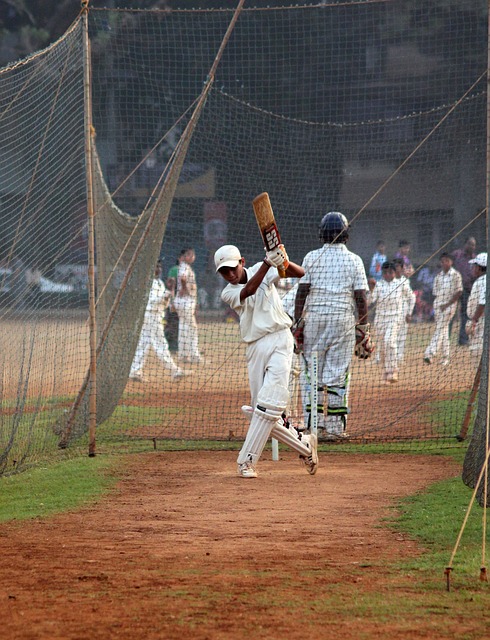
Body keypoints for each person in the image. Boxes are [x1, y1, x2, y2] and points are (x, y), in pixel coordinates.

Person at [215, 243, 318, 479]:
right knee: (260, 411)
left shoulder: (262, 269)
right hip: (255, 347)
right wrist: (268, 262)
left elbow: (300, 273)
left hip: (280, 339)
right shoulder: (228, 292)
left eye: (232, 268)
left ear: (241, 262)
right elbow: (249, 290)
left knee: (268, 404)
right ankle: (305, 445)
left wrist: (281, 260)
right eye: (224, 272)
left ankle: (246, 461)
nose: (230, 274)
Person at [294, 212, 371, 439]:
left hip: (315, 319)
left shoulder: (311, 257)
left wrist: (297, 323)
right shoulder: (354, 260)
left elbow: (302, 293)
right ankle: (336, 429)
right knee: (338, 373)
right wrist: (363, 330)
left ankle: (313, 427)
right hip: (343, 320)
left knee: (311, 373)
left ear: (322, 234)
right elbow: (361, 298)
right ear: (346, 234)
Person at [129, 260, 192, 383]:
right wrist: (165, 295)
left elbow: (163, 302)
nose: (159, 269)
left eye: (160, 266)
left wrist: (168, 294)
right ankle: (175, 371)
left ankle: (134, 371)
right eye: (156, 266)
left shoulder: (159, 283)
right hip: (150, 316)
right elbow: (152, 301)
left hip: (155, 316)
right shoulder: (147, 283)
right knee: (160, 345)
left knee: (143, 344)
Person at [423, 252, 462, 367]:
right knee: (443, 330)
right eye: (442, 261)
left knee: (440, 328)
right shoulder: (438, 276)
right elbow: (435, 293)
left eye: (447, 260)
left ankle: (430, 353)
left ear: (451, 262)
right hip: (439, 305)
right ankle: (445, 357)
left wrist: (447, 304)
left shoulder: (456, 275)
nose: (444, 263)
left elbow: (459, 292)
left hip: (449, 306)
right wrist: (438, 305)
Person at [368, 262, 404, 383]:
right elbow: (369, 301)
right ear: (382, 274)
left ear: (395, 273)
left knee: (390, 342)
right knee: (382, 348)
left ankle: (393, 371)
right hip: (380, 320)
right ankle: (386, 371)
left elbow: (411, 297)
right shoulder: (379, 285)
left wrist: (408, 312)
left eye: (391, 272)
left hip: (394, 318)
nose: (388, 275)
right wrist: (371, 288)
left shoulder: (401, 284)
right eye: (385, 273)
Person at [173, 247, 203, 364]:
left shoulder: (184, 266)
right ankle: (194, 356)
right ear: (185, 256)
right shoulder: (184, 266)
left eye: (193, 255)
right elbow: (183, 278)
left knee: (184, 327)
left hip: (183, 301)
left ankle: (184, 355)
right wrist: (184, 288)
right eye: (190, 254)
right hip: (186, 300)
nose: (192, 257)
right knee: (191, 328)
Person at [451, 236, 477, 345]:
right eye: (470, 244)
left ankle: (463, 339)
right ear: (465, 244)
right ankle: (445, 339)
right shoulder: (456, 255)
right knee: (450, 314)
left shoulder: (475, 259)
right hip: (454, 289)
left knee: (465, 315)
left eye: (473, 245)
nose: (471, 246)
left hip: (467, 289)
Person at [393, 257, 416, 365]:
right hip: (392, 312)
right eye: (395, 266)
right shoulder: (389, 280)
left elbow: (412, 298)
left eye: (398, 266)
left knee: (401, 335)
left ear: (402, 268)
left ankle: (399, 357)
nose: (396, 268)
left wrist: (409, 313)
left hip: (403, 310)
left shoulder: (404, 281)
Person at [466, 252, 487, 366]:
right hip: (481, 320)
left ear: (479, 267)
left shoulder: (483, 281)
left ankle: (481, 382)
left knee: (477, 351)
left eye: (474, 266)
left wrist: (474, 320)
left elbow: (483, 303)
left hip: (481, 321)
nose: (472, 268)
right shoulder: (483, 280)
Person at [164, 257, 180, 351]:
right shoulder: (176, 269)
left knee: (173, 323)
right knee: (173, 323)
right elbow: (170, 285)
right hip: (175, 301)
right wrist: (172, 300)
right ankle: (172, 345)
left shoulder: (184, 270)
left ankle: (173, 345)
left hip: (177, 300)